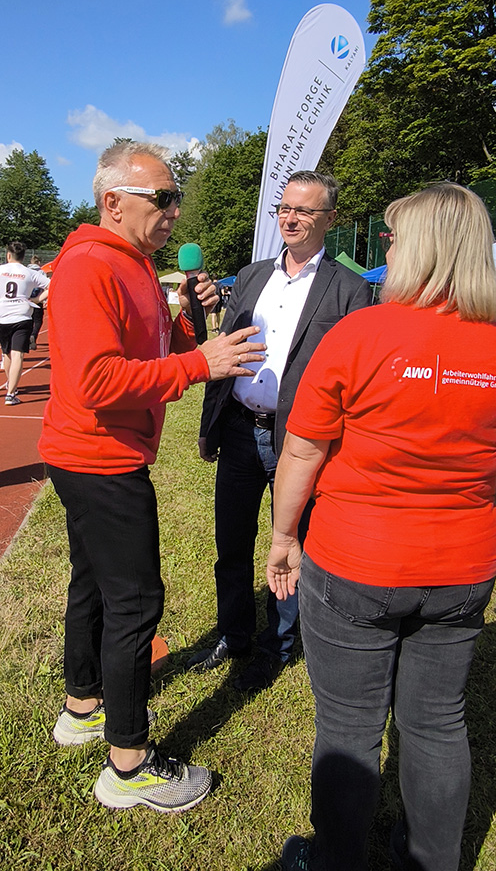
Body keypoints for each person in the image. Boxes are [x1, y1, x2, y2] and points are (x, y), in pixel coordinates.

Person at [267, 184, 496, 871]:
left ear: (421, 247)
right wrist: (474, 532)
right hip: (463, 569)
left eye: (393, 238)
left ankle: (337, 860)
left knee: (349, 726)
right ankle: (431, 860)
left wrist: (283, 538)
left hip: (355, 562)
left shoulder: (359, 334)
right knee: (437, 722)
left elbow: (302, 451)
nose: (386, 249)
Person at [38, 141, 266, 814]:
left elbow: (164, 346)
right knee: (135, 604)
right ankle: (129, 765)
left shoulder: (135, 263)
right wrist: (202, 366)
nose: (174, 211)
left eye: (176, 198)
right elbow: (97, 381)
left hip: (99, 454)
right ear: (113, 202)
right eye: (162, 197)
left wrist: (192, 317)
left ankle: (83, 708)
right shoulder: (90, 266)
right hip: (98, 458)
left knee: (95, 585)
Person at [190, 171, 371, 691]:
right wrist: (210, 424)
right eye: (284, 208)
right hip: (239, 430)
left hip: (301, 442)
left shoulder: (350, 289)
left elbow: (356, 375)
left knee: (289, 546)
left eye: (304, 211)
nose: (290, 219)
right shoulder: (250, 277)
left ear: (329, 219)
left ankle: (279, 644)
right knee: (231, 543)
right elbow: (224, 350)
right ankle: (234, 635)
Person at [0, 242, 49, 405]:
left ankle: (11, 386)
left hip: (4, 316)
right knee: (18, 354)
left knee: (7, 353)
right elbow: (52, 284)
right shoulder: (30, 272)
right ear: (23, 257)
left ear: (8, 255)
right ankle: (11, 392)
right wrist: (36, 299)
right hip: (22, 315)